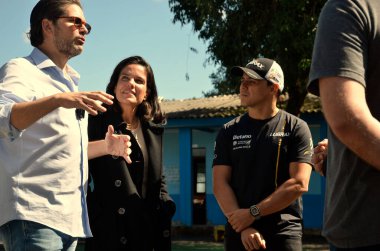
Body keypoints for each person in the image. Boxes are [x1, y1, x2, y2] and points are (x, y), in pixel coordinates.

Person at [0, 1, 131, 250]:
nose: (84, 30)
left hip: (68, 220)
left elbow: (63, 150)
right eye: (75, 21)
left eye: (86, 25)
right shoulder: (21, 69)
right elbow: (3, 119)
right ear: (47, 26)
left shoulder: (70, 83)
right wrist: (58, 99)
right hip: (33, 216)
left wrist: (106, 146)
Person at [212, 58, 314, 251]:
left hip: (283, 232)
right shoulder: (228, 131)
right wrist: (243, 224)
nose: (243, 86)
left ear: (273, 88)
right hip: (239, 231)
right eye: (242, 80)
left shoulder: (296, 128)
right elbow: (220, 184)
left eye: (252, 81)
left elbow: (299, 183)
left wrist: (253, 213)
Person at [308, 1, 380, 249]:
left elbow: (347, 120)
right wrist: (339, 155)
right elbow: (347, 121)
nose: (244, 87)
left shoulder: (349, 6)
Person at [84, 56, 176, 251]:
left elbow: (158, 173)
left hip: (147, 226)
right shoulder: (95, 121)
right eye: (124, 78)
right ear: (115, 85)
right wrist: (93, 211)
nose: (131, 84)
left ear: (147, 91)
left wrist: (166, 201)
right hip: (110, 228)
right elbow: (76, 160)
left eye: (139, 81)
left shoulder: (153, 128)